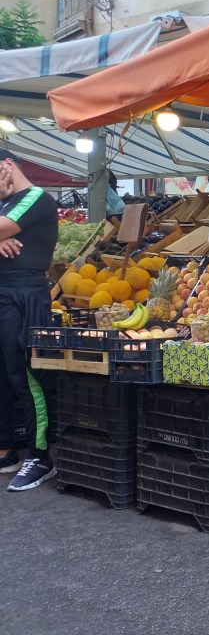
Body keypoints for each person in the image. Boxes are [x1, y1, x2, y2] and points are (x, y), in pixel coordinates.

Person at [0, 149, 59, 491]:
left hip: (24, 296)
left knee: (26, 374)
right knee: (3, 376)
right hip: (4, 295)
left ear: (7, 165)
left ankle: (39, 457)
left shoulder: (36, 197)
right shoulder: (4, 204)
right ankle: (6, 448)